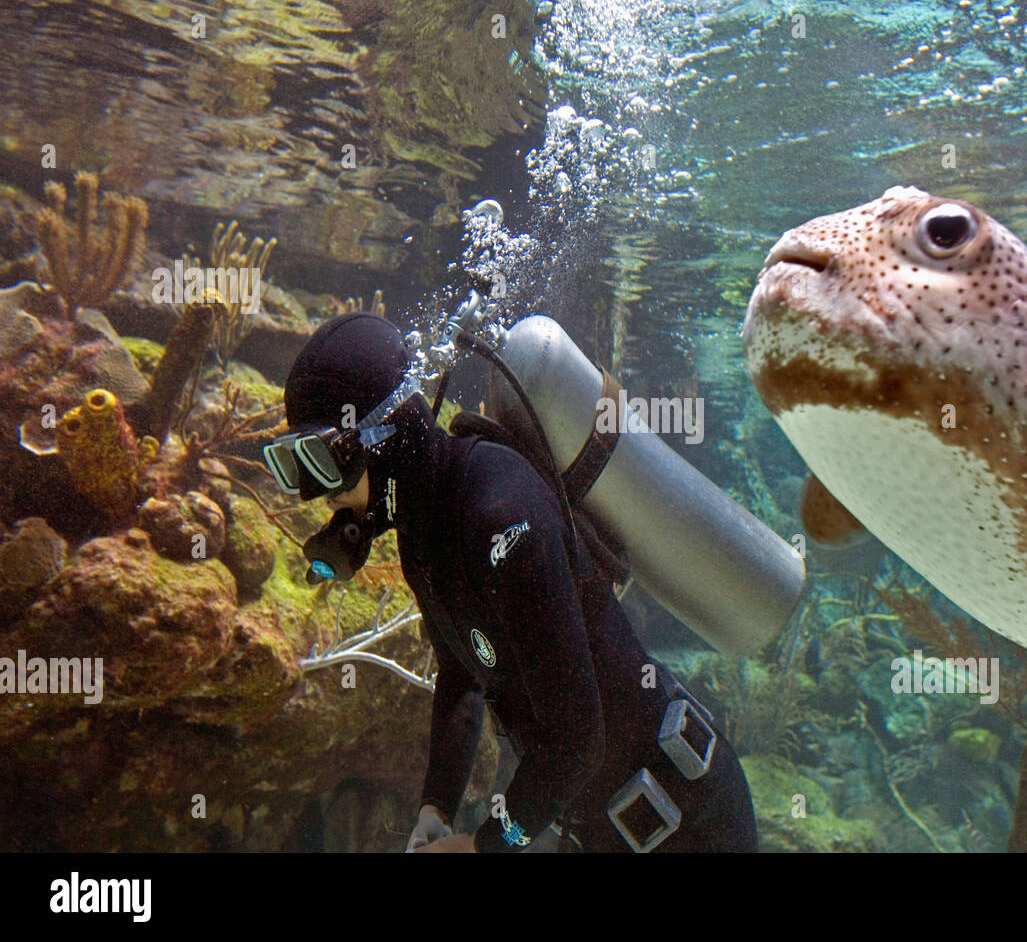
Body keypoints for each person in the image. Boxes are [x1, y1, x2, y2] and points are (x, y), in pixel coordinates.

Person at [268, 312, 758, 852]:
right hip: (604, 831)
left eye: (320, 459)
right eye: (294, 465)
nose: (316, 496)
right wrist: (437, 806)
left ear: (384, 438)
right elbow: (460, 678)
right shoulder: (422, 530)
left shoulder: (499, 514)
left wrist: (484, 847)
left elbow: (576, 740)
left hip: (691, 819)